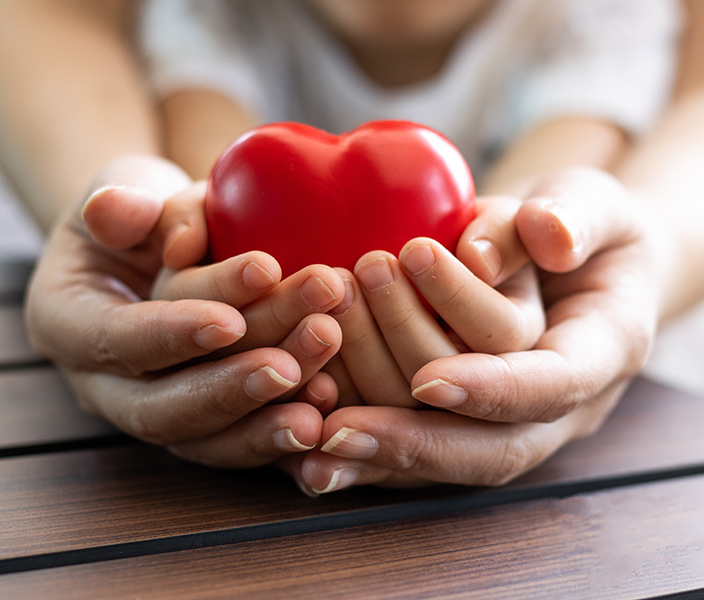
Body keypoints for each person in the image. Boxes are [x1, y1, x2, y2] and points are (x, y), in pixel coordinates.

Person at [2, 0, 701, 494]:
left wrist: (512, 283)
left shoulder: (598, 18)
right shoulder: (211, 14)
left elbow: (516, 224)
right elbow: (211, 198)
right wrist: (152, 234)